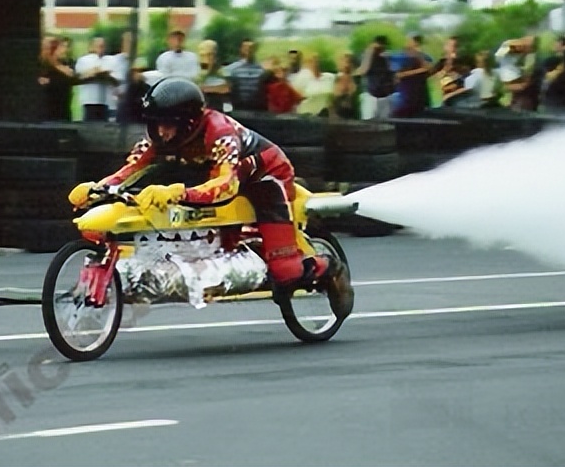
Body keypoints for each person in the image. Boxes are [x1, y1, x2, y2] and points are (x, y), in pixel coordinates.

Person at [67, 77, 353, 303]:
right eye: (155, 125)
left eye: (168, 126)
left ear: (189, 122)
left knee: (286, 272)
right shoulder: (159, 135)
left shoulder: (220, 132)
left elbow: (226, 186)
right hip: (222, 176)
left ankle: (330, 269)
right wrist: (97, 189)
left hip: (266, 179)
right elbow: (130, 169)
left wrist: (180, 193)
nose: (161, 133)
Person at [224, 39, 268, 110]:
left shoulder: (261, 69)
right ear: (241, 49)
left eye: (251, 48)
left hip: (256, 107)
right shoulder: (232, 69)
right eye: (246, 48)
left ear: (255, 50)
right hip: (238, 106)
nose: (248, 50)